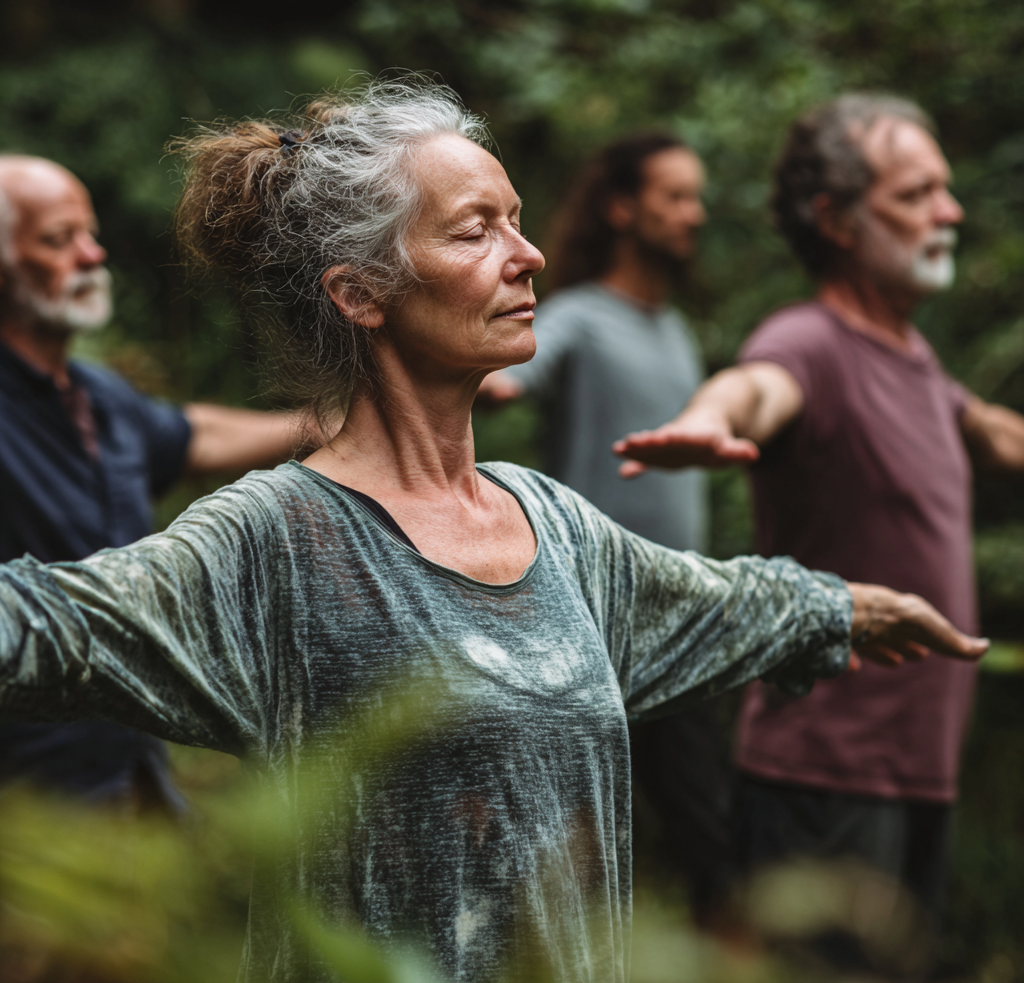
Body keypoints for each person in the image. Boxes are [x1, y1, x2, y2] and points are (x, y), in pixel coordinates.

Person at [0, 81, 986, 983]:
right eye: (476, 231)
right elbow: (45, 622)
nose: (529, 255)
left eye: (516, 219)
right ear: (359, 293)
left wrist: (845, 607)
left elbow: (713, 603)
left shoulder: (554, 523)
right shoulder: (277, 539)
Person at [614, 94, 1024, 960]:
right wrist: (707, 418)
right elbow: (755, 388)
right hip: (823, 778)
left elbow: (994, 432)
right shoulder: (809, 340)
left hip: (919, 776)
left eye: (944, 189)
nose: (949, 212)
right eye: (915, 194)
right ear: (834, 219)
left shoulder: (918, 363)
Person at [0, 154, 314, 811]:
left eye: (89, 234)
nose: (92, 256)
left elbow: (195, 435)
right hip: (29, 795)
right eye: (58, 240)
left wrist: (334, 422)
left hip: (132, 767)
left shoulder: (98, 396)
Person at [477, 133, 733, 921]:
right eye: (675, 196)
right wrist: (475, 375)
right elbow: (508, 375)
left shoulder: (676, 329)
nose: (695, 213)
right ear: (623, 208)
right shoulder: (580, 316)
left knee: (712, 839)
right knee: (579, 846)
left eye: (697, 197)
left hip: (680, 620)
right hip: (592, 622)